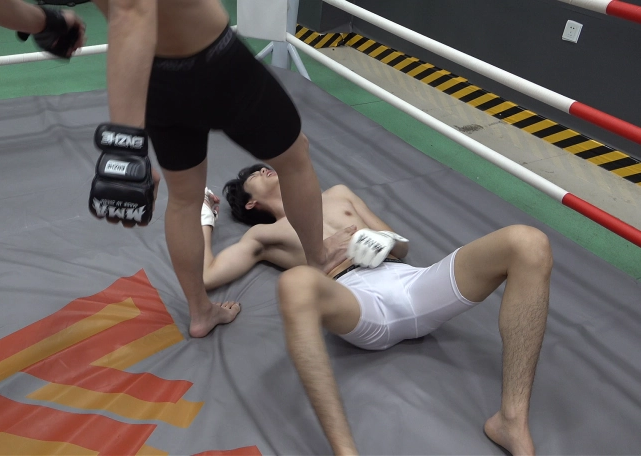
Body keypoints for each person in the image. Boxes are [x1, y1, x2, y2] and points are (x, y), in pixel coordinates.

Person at [0, 0, 330, 338]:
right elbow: (132, 7)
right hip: (216, 61)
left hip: (153, 77)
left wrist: (43, 21)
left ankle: (200, 312)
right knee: (295, 159)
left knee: (185, 199)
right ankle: (321, 276)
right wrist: (126, 149)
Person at [200, 163, 552, 456]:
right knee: (295, 282)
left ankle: (511, 420)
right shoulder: (264, 235)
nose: (265, 169)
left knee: (528, 241)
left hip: (409, 283)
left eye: (266, 166)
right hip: (357, 303)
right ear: (250, 203)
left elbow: (400, 247)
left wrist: (382, 241)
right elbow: (207, 274)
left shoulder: (338, 194)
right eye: (255, 174)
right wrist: (205, 216)